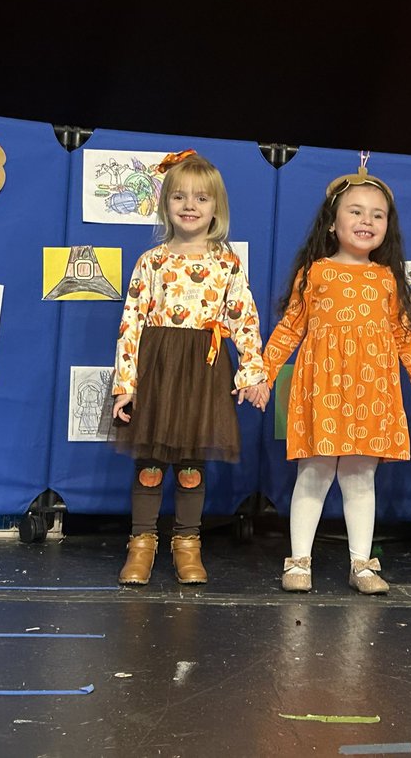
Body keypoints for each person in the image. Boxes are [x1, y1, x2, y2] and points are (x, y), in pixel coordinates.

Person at [263, 157, 411, 595]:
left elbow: (403, 334)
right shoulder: (315, 273)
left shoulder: (386, 279)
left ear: (387, 227)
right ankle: (299, 561)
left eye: (377, 215)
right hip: (324, 388)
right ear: (333, 223)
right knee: (314, 474)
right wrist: (260, 374)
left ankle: (362, 564)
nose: (366, 220)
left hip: (370, 391)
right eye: (355, 211)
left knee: (359, 479)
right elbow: (290, 328)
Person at [110, 149, 269, 586]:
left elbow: (243, 319)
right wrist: (126, 383)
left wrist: (252, 372)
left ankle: (187, 543)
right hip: (158, 368)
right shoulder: (152, 261)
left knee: (191, 462)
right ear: (166, 204)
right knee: (151, 460)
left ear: (216, 207)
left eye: (201, 199)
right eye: (180, 197)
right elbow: (131, 324)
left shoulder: (226, 262)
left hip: (203, 370)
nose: (190, 206)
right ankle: (141, 543)